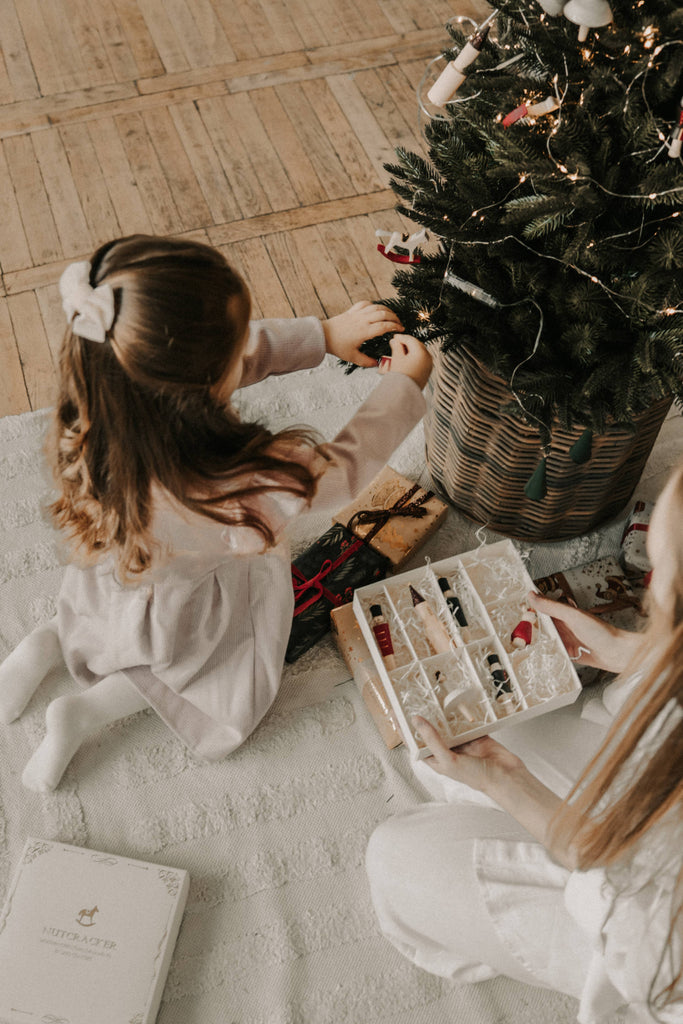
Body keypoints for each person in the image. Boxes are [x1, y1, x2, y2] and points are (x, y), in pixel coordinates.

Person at [0, 234, 432, 793]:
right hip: (185, 601)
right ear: (204, 382)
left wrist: (322, 336)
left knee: (102, 621)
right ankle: (81, 713)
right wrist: (403, 388)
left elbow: (219, 352)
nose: (244, 353)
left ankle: (46, 643)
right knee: (200, 677)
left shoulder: (101, 391)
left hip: (110, 566)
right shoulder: (240, 484)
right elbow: (341, 471)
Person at [366, 458, 683, 1023]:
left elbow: (629, 905)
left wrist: (513, 787)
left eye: (662, 586)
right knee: (445, 746)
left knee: (396, 859)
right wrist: (626, 652)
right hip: (652, 790)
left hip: (642, 937)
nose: (646, 598)